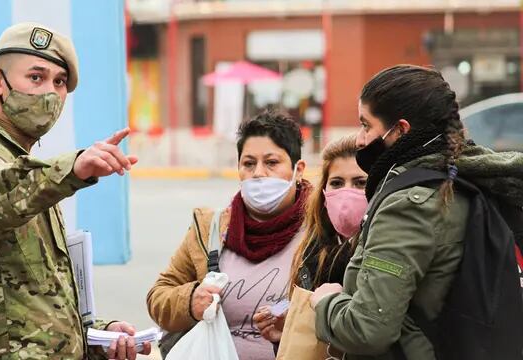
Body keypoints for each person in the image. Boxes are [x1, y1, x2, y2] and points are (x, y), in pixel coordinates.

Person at [0, 23, 150, 359]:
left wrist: (97, 336)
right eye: (36, 77)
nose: (49, 93)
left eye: (59, 82)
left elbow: (30, 308)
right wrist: (72, 168)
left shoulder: (29, 172)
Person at [309, 64, 523, 358]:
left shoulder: (407, 205)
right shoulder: (468, 179)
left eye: (366, 125)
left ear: (400, 130)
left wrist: (325, 302)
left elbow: (369, 330)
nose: (359, 139)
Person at [147, 109, 311, 359]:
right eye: (249, 163)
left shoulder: (319, 232)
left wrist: (302, 318)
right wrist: (191, 301)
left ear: (298, 170)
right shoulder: (209, 228)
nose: (258, 173)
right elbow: (159, 296)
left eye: (271, 162)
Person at [252, 135, 368, 348]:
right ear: (324, 191)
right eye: (337, 183)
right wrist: (286, 327)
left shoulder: (384, 247)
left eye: (360, 183)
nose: (347, 192)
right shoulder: (313, 248)